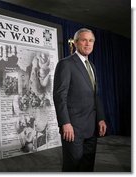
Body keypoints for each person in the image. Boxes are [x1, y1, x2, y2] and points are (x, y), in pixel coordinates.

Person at [53, 28, 107, 172]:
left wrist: (100, 118)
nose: (88, 44)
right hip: (73, 128)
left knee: (88, 166)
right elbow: (60, 96)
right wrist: (65, 123)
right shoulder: (66, 64)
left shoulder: (92, 67)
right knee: (73, 167)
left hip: (91, 127)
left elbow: (95, 95)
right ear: (76, 43)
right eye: (84, 40)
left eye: (91, 41)